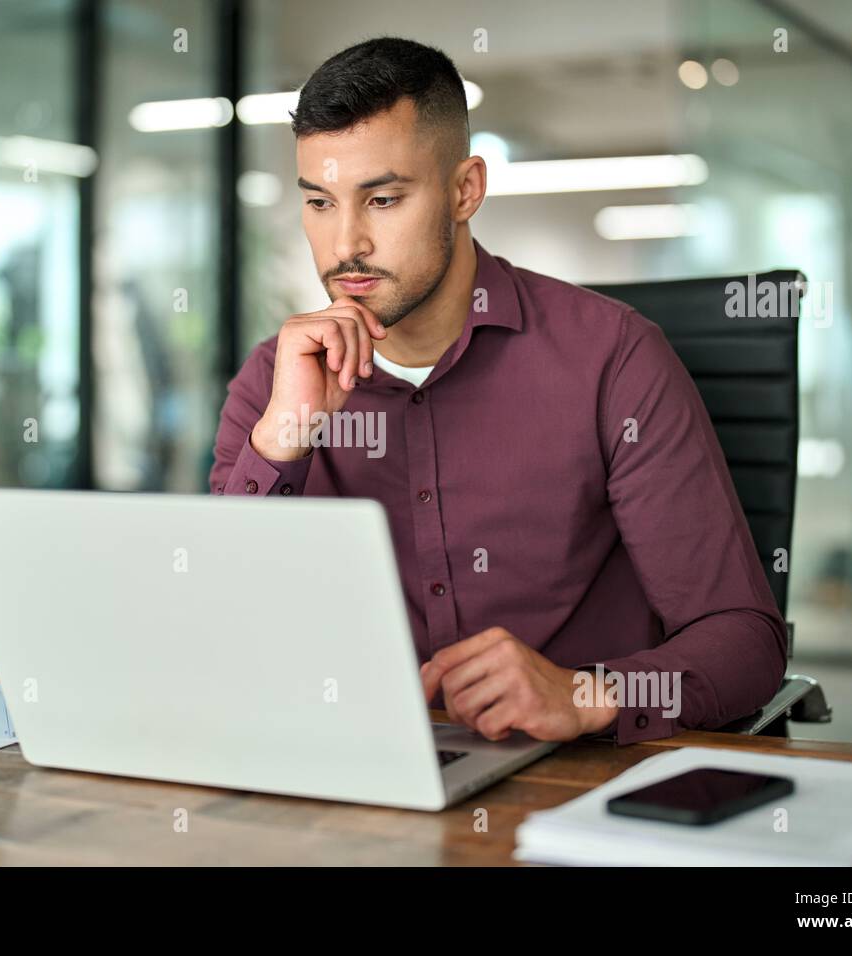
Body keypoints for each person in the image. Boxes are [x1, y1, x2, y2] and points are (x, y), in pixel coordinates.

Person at [210, 36, 787, 745]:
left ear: (465, 190)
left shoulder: (613, 359)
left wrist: (590, 692)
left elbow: (744, 641)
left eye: (382, 198)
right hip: (352, 775)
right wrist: (282, 443)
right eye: (320, 203)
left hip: (570, 786)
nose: (346, 244)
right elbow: (216, 635)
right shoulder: (274, 381)